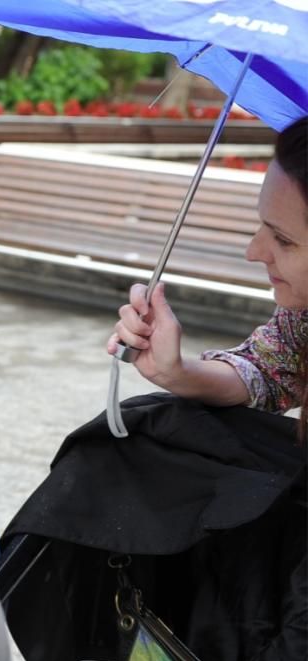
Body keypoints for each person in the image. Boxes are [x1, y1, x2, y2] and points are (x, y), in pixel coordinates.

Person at [108, 116, 308, 432]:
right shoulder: (302, 319)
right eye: (262, 226)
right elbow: (271, 372)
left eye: (283, 240)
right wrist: (175, 371)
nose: (252, 253)